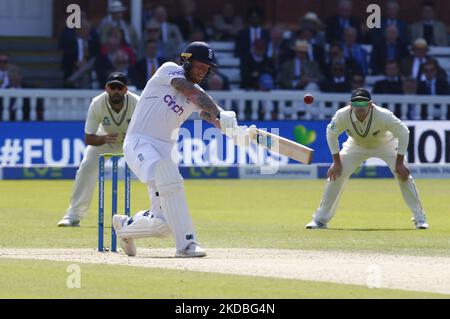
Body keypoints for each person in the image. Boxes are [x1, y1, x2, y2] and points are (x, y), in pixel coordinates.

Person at [111, 42, 240, 258]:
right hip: (139, 143)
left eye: (207, 68)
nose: (203, 71)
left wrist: (233, 130)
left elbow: (210, 116)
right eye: (200, 65)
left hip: (165, 151)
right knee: (170, 180)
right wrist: (220, 111)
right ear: (187, 61)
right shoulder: (169, 71)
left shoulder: (198, 93)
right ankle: (187, 245)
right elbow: (188, 91)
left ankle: (124, 226)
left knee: (163, 225)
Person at [305, 88, 429, 230]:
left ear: (370, 104)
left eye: (363, 104)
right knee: (335, 176)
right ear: (350, 105)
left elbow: (404, 132)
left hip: (385, 144)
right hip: (355, 146)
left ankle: (420, 219)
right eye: (356, 104)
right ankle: (320, 220)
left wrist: (400, 162)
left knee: (404, 176)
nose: (360, 107)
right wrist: (336, 162)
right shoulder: (342, 115)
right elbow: (331, 134)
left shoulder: (383, 115)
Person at [57, 72, 139, 227]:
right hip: (105, 138)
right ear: (106, 88)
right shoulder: (97, 102)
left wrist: (132, 139)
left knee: (150, 167)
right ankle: (73, 215)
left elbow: (146, 131)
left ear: (125, 90)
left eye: (119, 87)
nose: (115, 90)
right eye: (112, 87)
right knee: (86, 167)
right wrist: (103, 139)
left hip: (132, 141)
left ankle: (157, 214)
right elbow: (88, 138)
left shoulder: (137, 102)